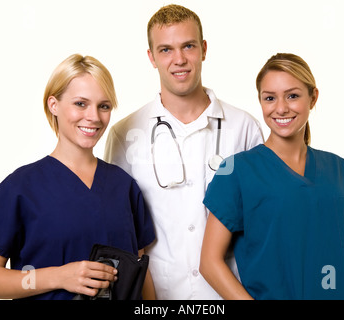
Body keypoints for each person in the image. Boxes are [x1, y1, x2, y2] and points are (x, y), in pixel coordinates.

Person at [104, 4, 264, 299]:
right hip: (157, 296)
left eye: (188, 46)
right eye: (166, 50)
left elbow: (263, 221)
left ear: (203, 49)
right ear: (151, 57)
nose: (179, 59)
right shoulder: (124, 134)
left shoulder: (244, 128)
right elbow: (119, 227)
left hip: (230, 293)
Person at [0, 54, 156, 300]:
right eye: (81, 103)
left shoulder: (124, 187)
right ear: (53, 105)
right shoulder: (22, 188)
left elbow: (141, 276)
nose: (94, 117)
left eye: (104, 106)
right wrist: (58, 276)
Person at [200, 53, 344, 300]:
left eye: (292, 96)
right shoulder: (237, 171)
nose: (281, 108)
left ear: (313, 98)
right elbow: (210, 262)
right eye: (270, 98)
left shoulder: (337, 168)